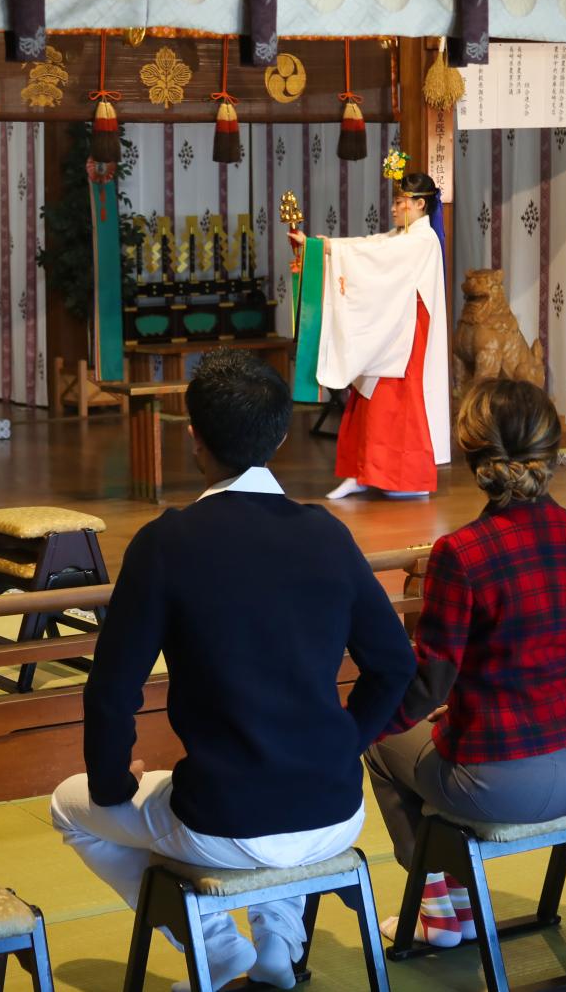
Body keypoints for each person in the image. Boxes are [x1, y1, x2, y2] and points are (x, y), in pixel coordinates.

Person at [50, 350, 417, 991]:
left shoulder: (166, 543)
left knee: (68, 808)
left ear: (193, 437)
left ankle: (219, 951)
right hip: (335, 809)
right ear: (278, 437)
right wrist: (341, 745)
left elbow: (112, 689)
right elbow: (394, 665)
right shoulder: (326, 535)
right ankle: (278, 948)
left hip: (226, 820)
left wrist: (111, 784)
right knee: (273, 776)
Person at [364, 380, 566, 947]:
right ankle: (450, 908)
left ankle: (440, 907)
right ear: (551, 449)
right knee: (430, 735)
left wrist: (358, 729)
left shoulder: (463, 552)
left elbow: (431, 683)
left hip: (507, 782)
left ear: (472, 452)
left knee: (382, 746)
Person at [289, 160, 451, 501]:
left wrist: (327, 248)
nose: (394, 207)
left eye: (401, 201)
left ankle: (408, 478)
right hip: (388, 323)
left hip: (405, 332)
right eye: (394, 201)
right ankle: (360, 472)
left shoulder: (423, 240)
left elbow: (378, 254)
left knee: (398, 400)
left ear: (420, 204)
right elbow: (371, 245)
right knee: (366, 396)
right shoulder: (402, 236)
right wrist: (319, 247)